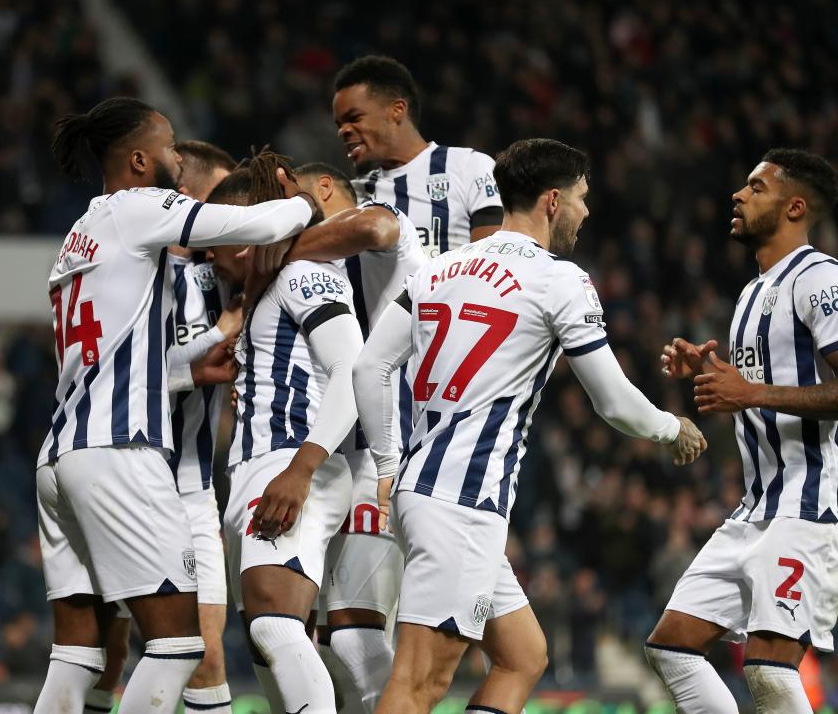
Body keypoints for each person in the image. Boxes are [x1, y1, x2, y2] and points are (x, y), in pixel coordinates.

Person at [352, 138, 706, 714]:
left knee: (523, 655)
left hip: (425, 490)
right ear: (552, 201)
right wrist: (671, 428)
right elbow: (612, 401)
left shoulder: (442, 266)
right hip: (463, 501)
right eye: (581, 198)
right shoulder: (557, 279)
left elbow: (370, 366)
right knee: (419, 683)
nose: (586, 211)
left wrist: (391, 465)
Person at [32, 97, 317, 714]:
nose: (176, 162)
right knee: (178, 644)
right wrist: (305, 200)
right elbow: (261, 227)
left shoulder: (80, 233)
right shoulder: (139, 209)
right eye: (167, 147)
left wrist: (193, 363)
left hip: (60, 455)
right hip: (119, 452)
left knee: (76, 655)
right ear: (138, 160)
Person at [648, 148, 838, 714]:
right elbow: (764, 388)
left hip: (810, 508)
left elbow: (764, 394)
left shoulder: (820, 278)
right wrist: (707, 374)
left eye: (757, 188)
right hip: (755, 509)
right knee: (672, 649)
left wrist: (749, 393)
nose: (739, 194)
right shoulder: (752, 292)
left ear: (795, 207)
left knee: (770, 672)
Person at [205, 153, 365, 714]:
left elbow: (355, 369)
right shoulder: (259, 294)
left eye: (217, 237)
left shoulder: (304, 274)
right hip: (258, 471)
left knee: (275, 627)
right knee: (270, 646)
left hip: (291, 463)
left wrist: (301, 469)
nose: (208, 253)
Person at [86, 139, 239, 714]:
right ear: (189, 199)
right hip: (123, 475)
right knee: (108, 652)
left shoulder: (223, 273)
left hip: (192, 489)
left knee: (205, 655)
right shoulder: (130, 274)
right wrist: (207, 351)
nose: (233, 210)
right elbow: (112, 371)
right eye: (222, 197)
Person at [285, 162, 427, 711]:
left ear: (323, 190)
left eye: (294, 202)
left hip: (389, 452)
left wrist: (283, 245)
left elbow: (373, 230)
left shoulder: (387, 230)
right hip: (346, 459)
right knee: (324, 641)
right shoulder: (317, 277)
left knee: (354, 637)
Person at [332, 55, 503, 260]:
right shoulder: (349, 195)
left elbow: (493, 262)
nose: (343, 131)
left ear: (397, 110)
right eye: (339, 124)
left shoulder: (470, 167)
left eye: (354, 118)